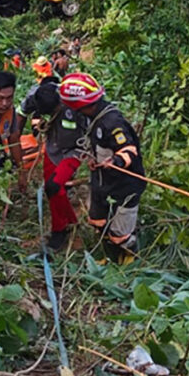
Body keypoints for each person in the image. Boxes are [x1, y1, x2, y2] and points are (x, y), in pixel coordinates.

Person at [58, 72, 146, 264]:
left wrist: (115, 162)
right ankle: (108, 257)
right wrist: (93, 158)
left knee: (120, 234)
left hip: (125, 185)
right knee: (98, 221)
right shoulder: (89, 117)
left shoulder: (112, 122)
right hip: (101, 180)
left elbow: (129, 150)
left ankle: (129, 263)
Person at [15, 79, 87, 250]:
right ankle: (69, 223)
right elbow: (21, 114)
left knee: (54, 185)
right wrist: (14, 141)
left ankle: (59, 230)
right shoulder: (34, 96)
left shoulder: (76, 103)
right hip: (53, 146)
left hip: (76, 149)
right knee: (51, 189)